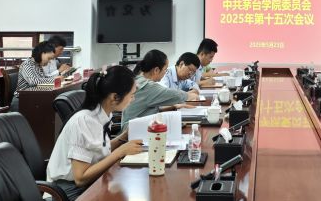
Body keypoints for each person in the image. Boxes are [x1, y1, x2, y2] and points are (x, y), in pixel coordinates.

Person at [47, 65, 143, 200]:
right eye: (131, 95)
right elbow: (80, 178)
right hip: (68, 192)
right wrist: (120, 152)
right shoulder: (84, 121)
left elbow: (98, 150)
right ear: (114, 97)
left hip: (90, 183)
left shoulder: (102, 114)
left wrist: (123, 137)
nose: (133, 99)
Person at [120, 50, 197, 126]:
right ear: (156, 70)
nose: (165, 72)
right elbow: (175, 95)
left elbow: (145, 110)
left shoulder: (140, 79)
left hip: (135, 127)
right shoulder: (148, 86)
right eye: (165, 69)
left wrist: (172, 107)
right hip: (131, 131)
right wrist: (190, 95)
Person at [11, 41, 63, 111]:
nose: (49, 62)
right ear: (42, 53)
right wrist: (55, 80)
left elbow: (43, 79)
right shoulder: (27, 64)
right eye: (49, 58)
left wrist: (57, 79)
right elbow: (34, 81)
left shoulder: (38, 65)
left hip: (34, 98)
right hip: (21, 101)